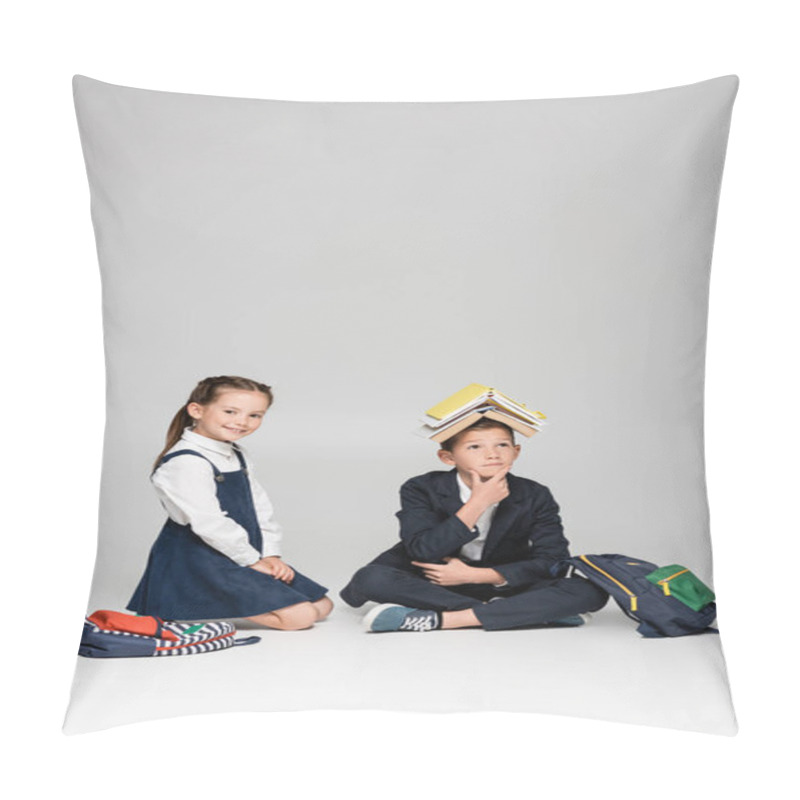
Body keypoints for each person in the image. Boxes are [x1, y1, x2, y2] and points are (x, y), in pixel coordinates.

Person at [340, 418, 607, 632]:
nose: (491, 454)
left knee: (590, 589)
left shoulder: (534, 494)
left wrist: (478, 575)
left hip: (500, 579)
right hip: (435, 581)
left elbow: (554, 560)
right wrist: (477, 503)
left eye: (502, 445)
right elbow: (422, 550)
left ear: (516, 452)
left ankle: (445, 620)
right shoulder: (421, 487)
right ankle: (522, 613)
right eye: (475, 447)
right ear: (448, 457)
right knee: (371, 578)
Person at [128, 376, 333, 630]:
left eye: (255, 415)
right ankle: (192, 605)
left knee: (323, 606)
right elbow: (209, 523)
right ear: (197, 410)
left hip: (242, 550)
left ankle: (235, 601)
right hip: (201, 558)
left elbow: (259, 508)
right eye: (230, 411)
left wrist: (270, 554)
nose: (242, 422)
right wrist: (251, 560)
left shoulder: (236, 453)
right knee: (301, 618)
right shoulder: (186, 462)